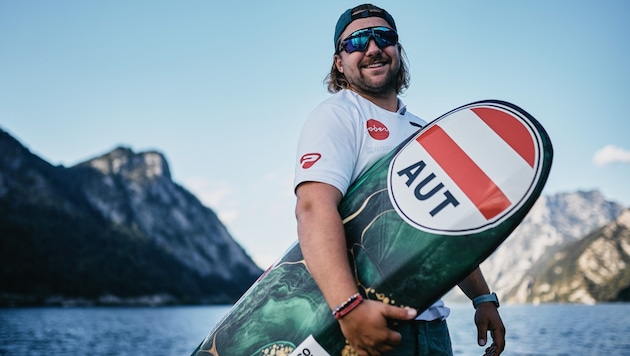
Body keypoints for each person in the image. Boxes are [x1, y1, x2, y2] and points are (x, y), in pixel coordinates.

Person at [293, 4, 506, 356]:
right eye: (357, 41)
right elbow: (313, 207)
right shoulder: (337, 115)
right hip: (368, 322)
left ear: (398, 49)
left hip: (433, 329)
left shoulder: (425, 131)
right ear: (339, 62)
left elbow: (444, 230)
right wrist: (348, 309)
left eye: (385, 37)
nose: (373, 48)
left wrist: (483, 298)